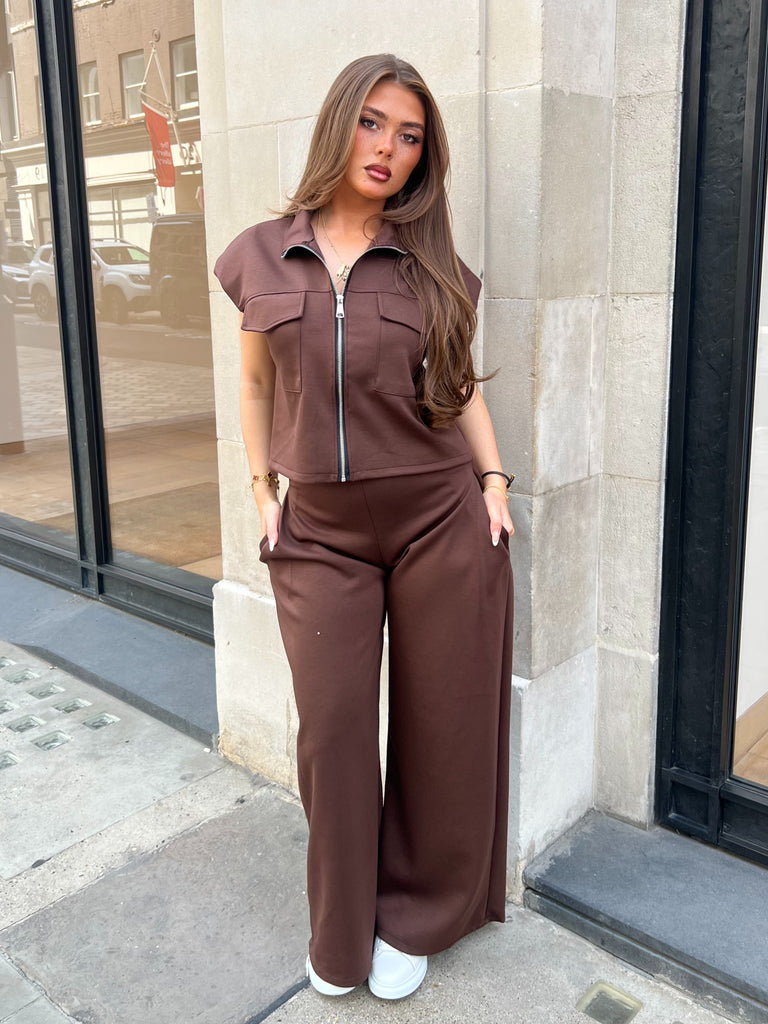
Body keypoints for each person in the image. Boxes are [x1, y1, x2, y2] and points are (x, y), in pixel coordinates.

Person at [214, 53, 514, 1002]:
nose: (388, 148)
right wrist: (261, 492)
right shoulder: (261, 253)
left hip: (437, 518)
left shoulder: (433, 265)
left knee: (444, 727)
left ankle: (415, 917)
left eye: (410, 136)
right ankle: (340, 931)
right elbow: (255, 383)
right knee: (335, 734)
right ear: (339, 122)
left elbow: (457, 385)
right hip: (320, 533)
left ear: (425, 156)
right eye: (373, 123)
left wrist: (493, 481)